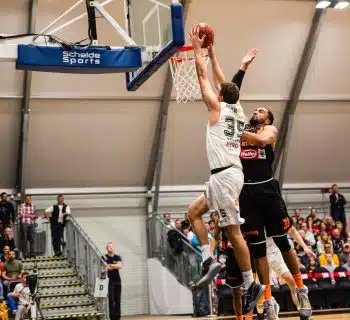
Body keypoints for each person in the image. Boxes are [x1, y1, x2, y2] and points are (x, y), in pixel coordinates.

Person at [204, 55, 313, 318]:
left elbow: (261, 141)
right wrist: (235, 64)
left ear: (268, 118)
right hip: (246, 193)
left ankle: (300, 289)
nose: (257, 111)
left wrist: (235, 131)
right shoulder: (240, 118)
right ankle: (267, 299)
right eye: (257, 109)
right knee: (258, 251)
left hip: (268, 191)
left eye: (262, 110)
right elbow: (228, 88)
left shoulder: (270, 131)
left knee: (283, 243)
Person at [186, 26, 264, 314]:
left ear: (219, 96)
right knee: (193, 212)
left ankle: (250, 282)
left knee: (233, 233)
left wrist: (198, 50)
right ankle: (209, 261)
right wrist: (214, 52)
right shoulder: (237, 109)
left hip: (225, 176)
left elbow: (203, 76)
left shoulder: (216, 110)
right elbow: (222, 81)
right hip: (227, 174)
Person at [103, 242, 122, 320]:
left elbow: (120, 266)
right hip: (110, 281)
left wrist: (110, 265)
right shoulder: (104, 257)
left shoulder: (117, 257)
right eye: (109, 247)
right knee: (111, 300)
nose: (111, 248)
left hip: (118, 281)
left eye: (112, 246)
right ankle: (112, 317)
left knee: (118, 300)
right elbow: (106, 268)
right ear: (107, 249)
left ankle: (118, 317)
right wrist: (115, 266)